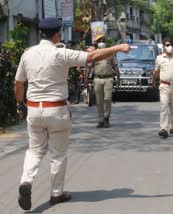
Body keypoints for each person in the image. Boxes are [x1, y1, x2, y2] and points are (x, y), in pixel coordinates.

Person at [14, 17, 130, 211]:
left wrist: (20, 104)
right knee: (58, 154)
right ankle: (56, 193)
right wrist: (118, 48)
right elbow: (91, 57)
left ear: (41, 33)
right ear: (57, 34)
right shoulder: (62, 54)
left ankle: (26, 182)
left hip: (34, 109)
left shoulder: (28, 54)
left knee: (34, 151)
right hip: (57, 110)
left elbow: (18, 83)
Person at [93, 35, 120, 128]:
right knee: (99, 100)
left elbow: (115, 66)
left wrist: (118, 79)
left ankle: (106, 118)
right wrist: (85, 80)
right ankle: (100, 120)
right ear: (97, 43)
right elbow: (89, 66)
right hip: (97, 79)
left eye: (103, 40)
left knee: (108, 99)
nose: (101, 42)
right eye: (100, 41)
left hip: (108, 79)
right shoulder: (94, 53)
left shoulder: (110, 53)